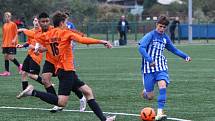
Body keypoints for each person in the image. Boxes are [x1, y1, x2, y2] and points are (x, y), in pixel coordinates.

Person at [17, 11, 116, 121]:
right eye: (66, 22)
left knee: (88, 92)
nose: (67, 24)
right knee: (61, 102)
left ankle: (104, 119)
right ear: (61, 23)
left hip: (63, 70)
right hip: (66, 70)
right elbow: (82, 40)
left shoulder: (46, 35)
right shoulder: (66, 33)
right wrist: (101, 41)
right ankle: (33, 92)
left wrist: (35, 47)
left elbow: (38, 40)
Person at [19, 12, 86, 113]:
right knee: (45, 80)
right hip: (50, 60)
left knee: (70, 82)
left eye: (47, 21)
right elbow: (34, 38)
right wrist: (36, 47)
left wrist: (80, 34)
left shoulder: (54, 29)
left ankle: (81, 97)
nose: (45, 23)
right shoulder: (38, 32)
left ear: (49, 21)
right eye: (42, 21)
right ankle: (57, 103)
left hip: (61, 60)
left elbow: (64, 37)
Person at [138, 16, 192, 121]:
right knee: (150, 96)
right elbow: (141, 48)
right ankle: (146, 91)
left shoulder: (165, 38)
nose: (162, 29)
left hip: (161, 67)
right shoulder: (150, 35)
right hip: (148, 69)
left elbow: (174, 49)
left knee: (162, 85)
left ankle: (160, 113)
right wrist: (149, 60)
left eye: (164, 27)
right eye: (160, 26)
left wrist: (185, 56)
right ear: (156, 25)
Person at [16, 17, 44, 91]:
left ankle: (47, 83)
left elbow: (43, 46)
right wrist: (22, 45)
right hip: (29, 55)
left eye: (38, 21)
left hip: (36, 56)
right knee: (23, 73)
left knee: (31, 75)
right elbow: (29, 42)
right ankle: (25, 91)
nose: (36, 22)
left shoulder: (42, 32)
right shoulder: (30, 31)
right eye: (35, 20)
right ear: (33, 22)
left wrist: (34, 47)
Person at [0, 12, 22, 76]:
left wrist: (15, 40)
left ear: (10, 17)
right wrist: (2, 44)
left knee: (11, 57)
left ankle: (20, 66)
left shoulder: (13, 24)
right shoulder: (4, 25)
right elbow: (4, 35)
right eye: (6, 17)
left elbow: (16, 33)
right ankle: (7, 72)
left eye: (8, 16)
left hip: (11, 44)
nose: (7, 18)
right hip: (5, 44)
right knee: (6, 57)